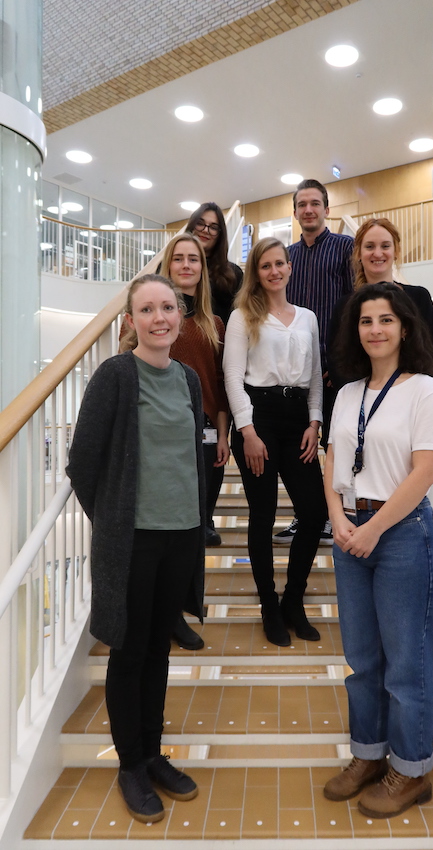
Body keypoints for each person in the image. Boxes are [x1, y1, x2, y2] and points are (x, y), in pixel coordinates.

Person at [67, 274, 205, 824]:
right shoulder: (115, 376)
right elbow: (82, 463)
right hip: (132, 540)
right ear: (131, 321)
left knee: (159, 649)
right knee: (129, 651)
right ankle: (130, 763)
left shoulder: (190, 380)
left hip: (179, 536)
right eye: (146, 309)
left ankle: (153, 752)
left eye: (167, 307)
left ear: (180, 315)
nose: (159, 318)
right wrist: (113, 523)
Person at [323, 283, 433, 818]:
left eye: (385, 320)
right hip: (350, 530)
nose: (374, 329)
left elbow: (424, 471)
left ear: (404, 328)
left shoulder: (424, 390)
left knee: (406, 662)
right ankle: (369, 755)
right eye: (366, 320)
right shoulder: (348, 391)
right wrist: (338, 520)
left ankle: (411, 769)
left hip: (400, 534)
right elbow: (331, 463)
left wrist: (373, 527)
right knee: (362, 660)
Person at [223, 237, 328, 646]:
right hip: (258, 419)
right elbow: (233, 376)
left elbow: (316, 376)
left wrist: (315, 422)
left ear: (289, 267)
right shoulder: (241, 316)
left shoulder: (307, 317)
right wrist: (246, 431)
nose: (274, 271)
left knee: (315, 511)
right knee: (263, 514)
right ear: (257, 272)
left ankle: (293, 601)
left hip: (298, 418)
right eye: (265, 266)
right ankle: (269, 604)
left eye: (280, 263)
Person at [159, 232, 230, 650]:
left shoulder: (214, 323)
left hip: (204, 434)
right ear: (168, 266)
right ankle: (164, 613)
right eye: (179, 259)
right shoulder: (155, 314)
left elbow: (218, 386)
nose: (186, 265)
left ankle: (182, 613)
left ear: (203, 270)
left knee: (195, 530)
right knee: (168, 531)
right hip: (163, 434)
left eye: (194, 260)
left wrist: (223, 435)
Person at [274, 178, 354, 544]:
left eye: (315, 203)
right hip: (294, 373)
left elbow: (355, 309)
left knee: (333, 446)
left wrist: (340, 363)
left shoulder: (345, 248)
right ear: (294, 212)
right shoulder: (285, 258)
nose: (308, 210)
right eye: (302, 204)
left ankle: (336, 517)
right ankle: (307, 515)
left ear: (326, 209)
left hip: (333, 371)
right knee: (297, 450)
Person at [328, 217, 433, 389]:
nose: (378, 253)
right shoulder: (343, 307)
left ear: (396, 252)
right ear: (358, 253)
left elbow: (427, 355)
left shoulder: (419, 298)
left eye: (385, 246)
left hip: (408, 396)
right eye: (370, 246)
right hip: (360, 400)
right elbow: (338, 362)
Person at [185, 202, 243, 326]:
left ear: (220, 234)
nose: (205, 230)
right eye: (200, 224)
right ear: (192, 226)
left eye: (213, 227)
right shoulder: (172, 266)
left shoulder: (234, 273)